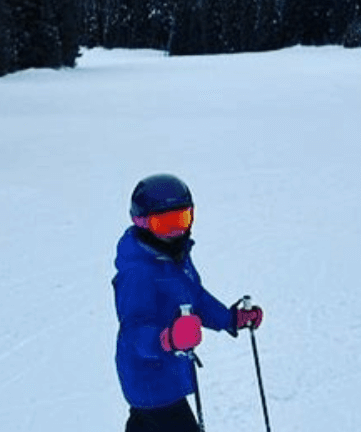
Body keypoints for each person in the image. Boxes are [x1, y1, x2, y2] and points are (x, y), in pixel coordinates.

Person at [113, 173, 264, 432]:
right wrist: (166, 339)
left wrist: (230, 319)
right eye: (164, 223)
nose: (175, 232)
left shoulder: (174, 256)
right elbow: (134, 329)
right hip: (150, 379)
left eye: (180, 219)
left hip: (165, 373)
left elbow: (194, 296)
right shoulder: (139, 272)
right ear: (142, 222)